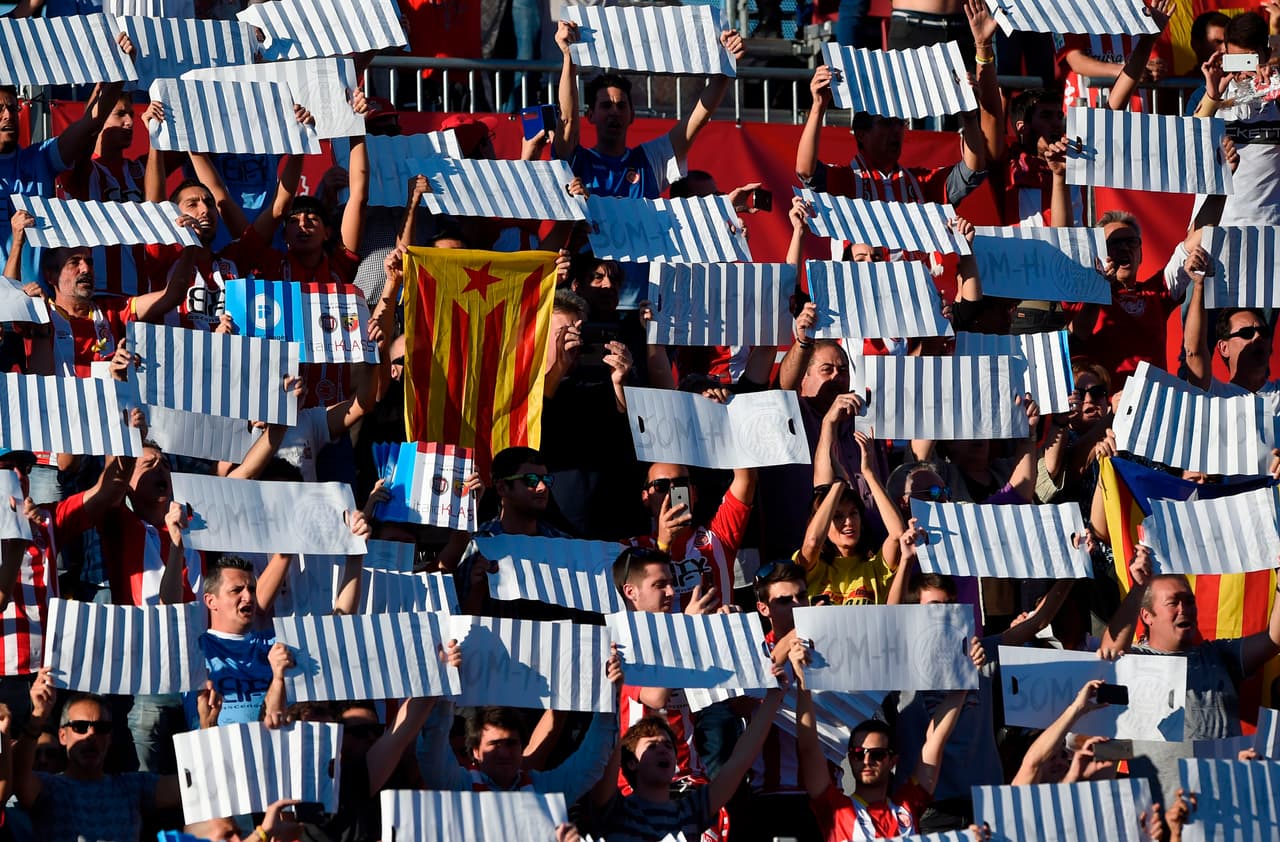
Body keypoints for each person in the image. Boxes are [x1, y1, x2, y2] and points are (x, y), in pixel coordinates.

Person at [1099, 547, 1280, 802]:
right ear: (1147, 616)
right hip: (1168, 815)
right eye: (1173, 602)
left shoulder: (1218, 654)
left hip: (1231, 805)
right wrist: (1139, 587)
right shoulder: (1135, 662)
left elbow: (1274, 640)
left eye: (1189, 601)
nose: (1184, 609)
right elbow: (1109, 652)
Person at [790, 637, 968, 839]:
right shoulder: (835, 807)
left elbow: (936, 739)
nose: (866, 761)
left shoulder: (908, 804)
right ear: (850, 758)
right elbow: (809, 748)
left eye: (877, 755)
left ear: (893, 760)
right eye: (858, 754)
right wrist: (803, 685)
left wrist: (964, 683)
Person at [551, 20, 746, 199]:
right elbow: (567, 121)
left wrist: (725, 68)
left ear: (632, 115)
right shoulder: (577, 160)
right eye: (606, 105)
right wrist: (569, 57)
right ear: (590, 115)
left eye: (621, 105)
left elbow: (697, 119)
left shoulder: (650, 159)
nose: (614, 112)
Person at [10, 675, 182, 839]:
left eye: (101, 728)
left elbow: (193, 787)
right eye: (80, 726)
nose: (91, 735)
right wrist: (38, 716)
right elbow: (17, 775)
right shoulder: (48, 788)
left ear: (110, 738)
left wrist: (206, 724)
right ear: (62, 736)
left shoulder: (132, 787)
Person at [628, 455, 755, 613]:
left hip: (720, 634)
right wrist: (663, 544)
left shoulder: (718, 536)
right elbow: (634, 606)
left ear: (693, 493)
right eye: (661, 486)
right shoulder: (631, 549)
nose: (671, 493)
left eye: (680, 484)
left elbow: (746, 478)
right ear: (646, 497)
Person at [1194, 13, 1280, 227]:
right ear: (1224, 55)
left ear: (1267, 54)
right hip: (1211, 227)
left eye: (1250, 60)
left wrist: (1273, 87)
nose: (1243, 71)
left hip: (1269, 229)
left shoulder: (1278, 93)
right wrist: (1212, 96)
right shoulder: (1206, 93)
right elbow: (1188, 144)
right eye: (1237, 60)